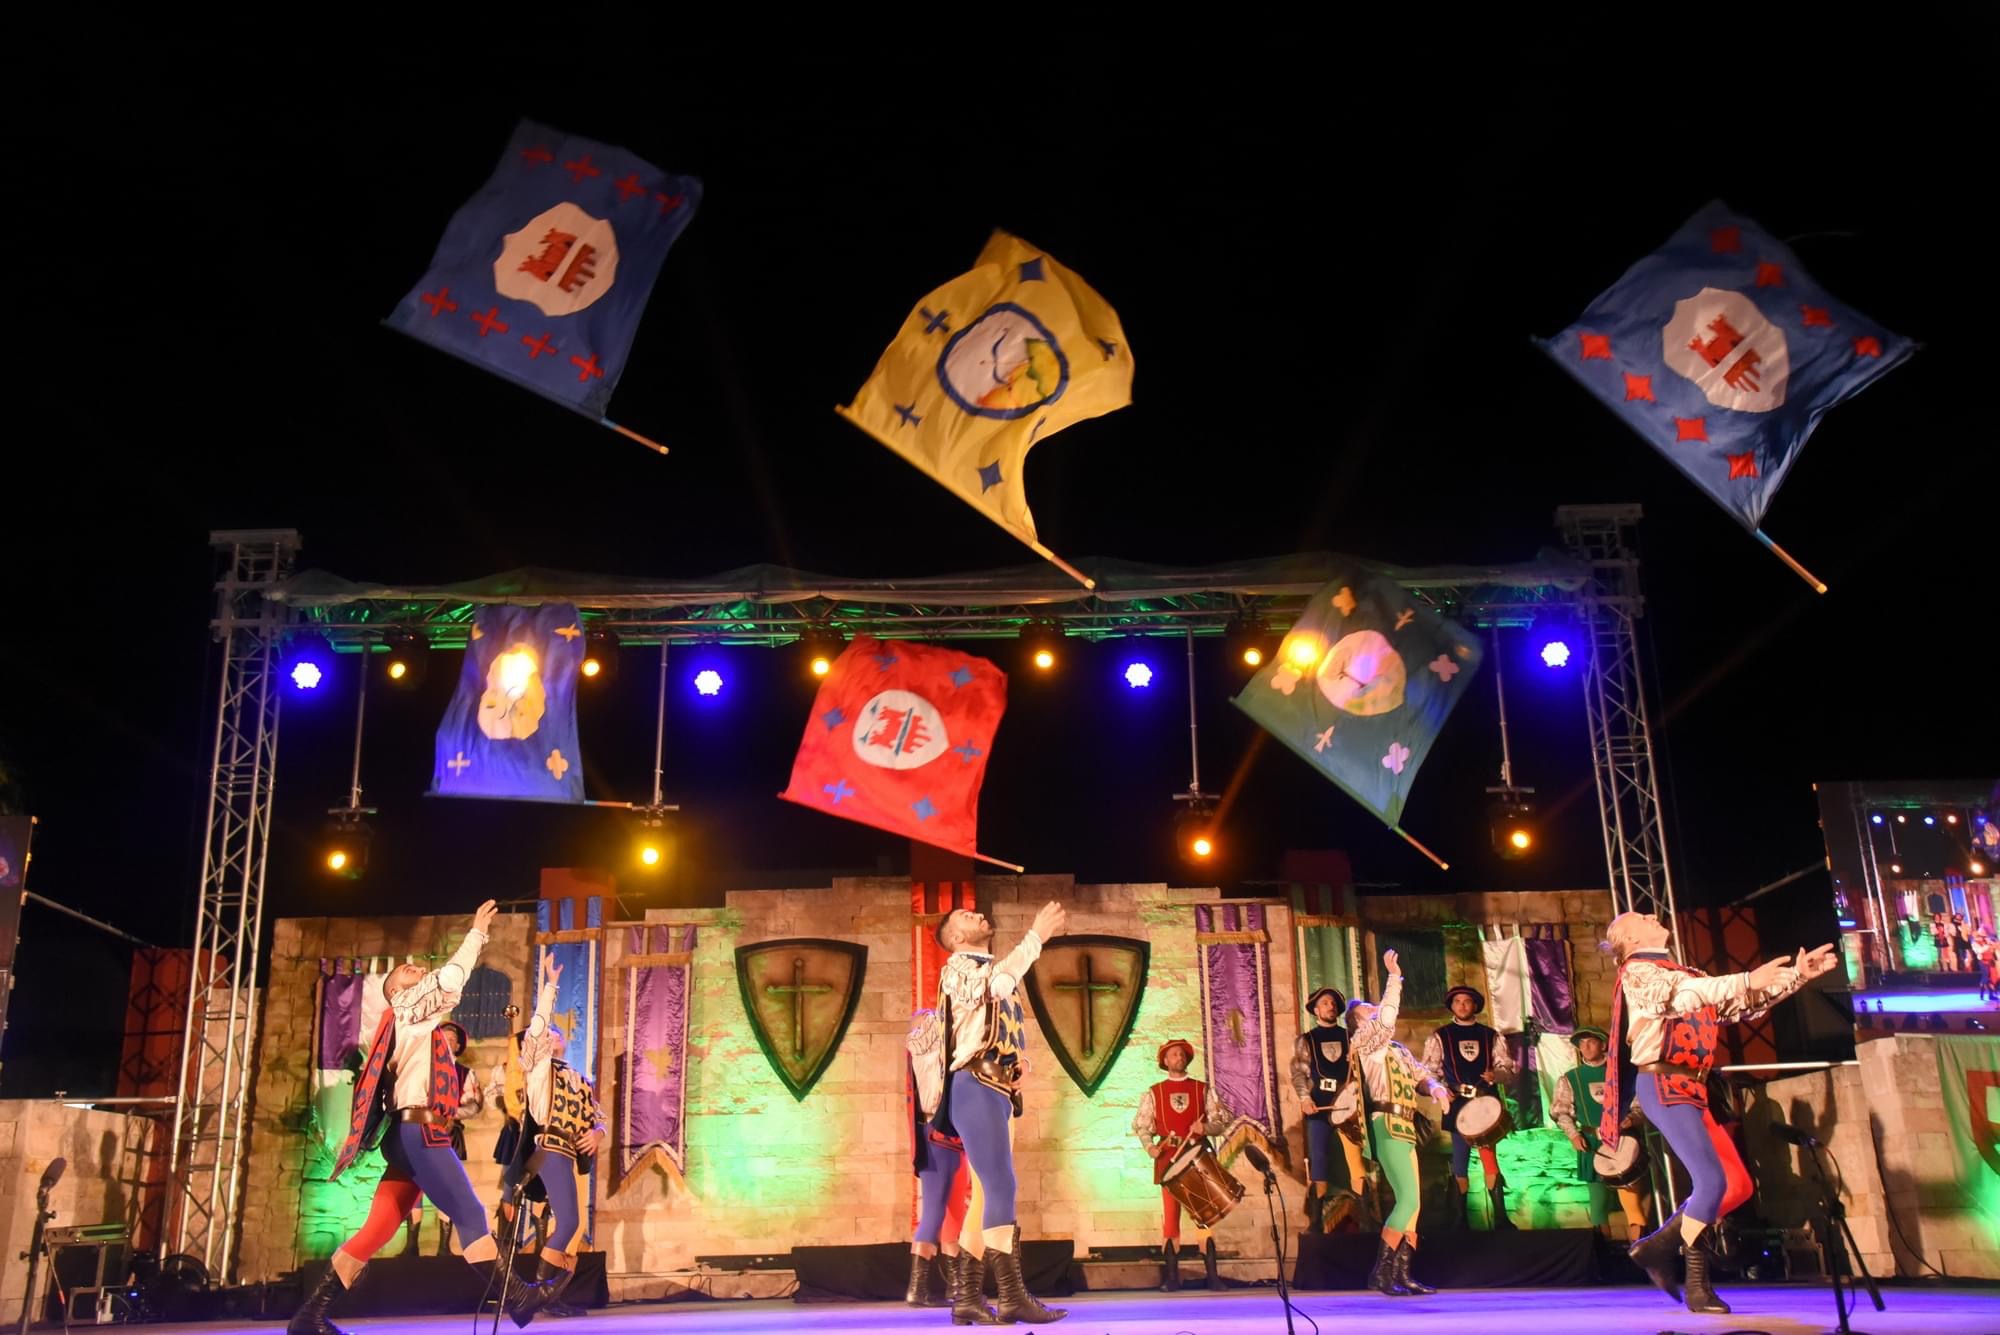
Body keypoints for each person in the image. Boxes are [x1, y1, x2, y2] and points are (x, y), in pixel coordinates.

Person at [1603, 911, 1837, 1316]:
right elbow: (1681, 997)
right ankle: (1690, 1279)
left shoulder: (1683, 973)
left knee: (1737, 1187)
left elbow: (1738, 1004)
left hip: (1692, 1088)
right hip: (1662, 1083)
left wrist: (1797, 976)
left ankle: (1660, 1249)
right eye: (1642, 916)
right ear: (1629, 939)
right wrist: (1747, 979)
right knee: (1711, 1182)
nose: (1653, 914)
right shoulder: (1638, 971)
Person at [292, 901, 504, 1335]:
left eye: (415, 969)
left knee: (378, 1228)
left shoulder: (415, 1025)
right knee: (470, 1213)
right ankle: (517, 1296)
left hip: (406, 1133)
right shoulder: (408, 1007)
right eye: (404, 972)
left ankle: (308, 1317)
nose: (414, 968)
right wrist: (477, 933)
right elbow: (450, 979)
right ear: (394, 992)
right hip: (417, 1128)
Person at [930, 901, 1069, 1325]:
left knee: (985, 1195)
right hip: (974, 1086)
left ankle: (967, 1298)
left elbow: (996, 1026)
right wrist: (1036, 936)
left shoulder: (988, 966)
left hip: (994, 1086)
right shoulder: (957, 967)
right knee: (1001, 1185)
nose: (974, 914)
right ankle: (1011, 1296)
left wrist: (1019, 1063)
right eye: (964, 916)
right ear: (956, 937)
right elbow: (998, 984)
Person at [503, 952, 608, 1327]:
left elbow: (598, 1116)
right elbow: (537, 1026)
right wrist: (550, 985)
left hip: (570, 1152)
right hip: (549, 1148)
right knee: (567, 1224)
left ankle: (545, 1295)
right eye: (546, 1034)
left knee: (570, 1224)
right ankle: (537, 1296)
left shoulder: (579, 1078)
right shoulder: (537, 1070)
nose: (551, 1034)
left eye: (554, 1033)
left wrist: (597, 1133)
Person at [1350, 950, 1453, 1297]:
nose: (1374, 1009)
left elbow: (1419, 1074)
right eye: (1367, 1009)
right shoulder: (1364, 1043)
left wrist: (1435, 1088)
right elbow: (1387, 1018)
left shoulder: (1395, 1048)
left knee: (1414, 1204)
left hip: (1405, 1125)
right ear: (1358, 1023)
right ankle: (1381, 1272)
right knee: (1407, 1199)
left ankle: (1403, 1273)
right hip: (1386, 1123)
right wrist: (1394, 977)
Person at [1132, 1038, 1229, 1290]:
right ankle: (1172, 1278)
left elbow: (1221, 1122)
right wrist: (1150, 1147)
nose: (1179, 1057)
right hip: (1168, 1161)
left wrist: (1205, 1128)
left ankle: (1213, 1277)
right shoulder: (1154, 1092)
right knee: (1171, 1219)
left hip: (1197, 1158)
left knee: (1204, 1216)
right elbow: (1142, 1127)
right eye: (1174, 1054)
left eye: (1182, 1054)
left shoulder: (1202, 1089)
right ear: (1165, 1061)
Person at [1421, 984, 1517, 1230]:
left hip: (1485, 1103)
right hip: (1457, 1105)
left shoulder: (1491, 1035)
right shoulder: (1440, 1036)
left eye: (1467, 1001)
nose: (1462, 1005)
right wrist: (1439, 1089)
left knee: (1489, 1158)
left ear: (1475, 1005)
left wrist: (1497, 1075)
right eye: (1457, 1002)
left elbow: (1508, 1068)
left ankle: (1501, 1219)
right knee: (1460, 1160)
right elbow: (1428, 1073)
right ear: (1451, 1006)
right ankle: (1460, 1220)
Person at [904, 1005, 975, 1309]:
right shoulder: (925, 1047)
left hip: (949, 1136)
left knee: (953, 1209)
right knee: (934, 1211)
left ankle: (956, 1286)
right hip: (936, 1134)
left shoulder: (932, 1051)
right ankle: (917, 1288)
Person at [1549, 1028, 1649, 1241]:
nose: (1585, 1047)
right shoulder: (1571, 1078)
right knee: (1598, 1202)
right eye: (1581, 1043)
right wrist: (1573, 1135)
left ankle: (1641, 1248)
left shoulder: (1622, 1073)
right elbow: (1561, 1111)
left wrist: (1631, 1119)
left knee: (1631, 1196)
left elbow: (1640, 1104)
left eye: (1591, 1042)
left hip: (1623, 1140)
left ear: (1603, 1045)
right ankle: (1603, 1250)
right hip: (1591, 1143)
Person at [1288, 986, 1368, 1233]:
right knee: (1319, 1160)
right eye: (1324, 1003)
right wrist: (1304, 1098)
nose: (1330, 1006)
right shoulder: (1306, 1040)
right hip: (1319, 1107)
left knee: (1356, 1160)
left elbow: (1363, 1070)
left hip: (1347, 1107)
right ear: (1316, 1010)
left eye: (1333, 1003)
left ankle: (1365, 1216)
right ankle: (1316, 1221)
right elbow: (1299, 1073)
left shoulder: (1351, 1037)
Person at [401, 1020, 484, 1256]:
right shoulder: (423, 1068)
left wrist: (448, 1114)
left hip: (448, 1132)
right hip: (420, 1130)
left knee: (448, 1186)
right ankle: (411, 1245)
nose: (447, 1043)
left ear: (457, 1046)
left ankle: (444, 1247)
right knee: (415, 1184)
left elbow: (474, 1105)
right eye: (443, 1039)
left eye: (451, 1040)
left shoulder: (465, 1074)